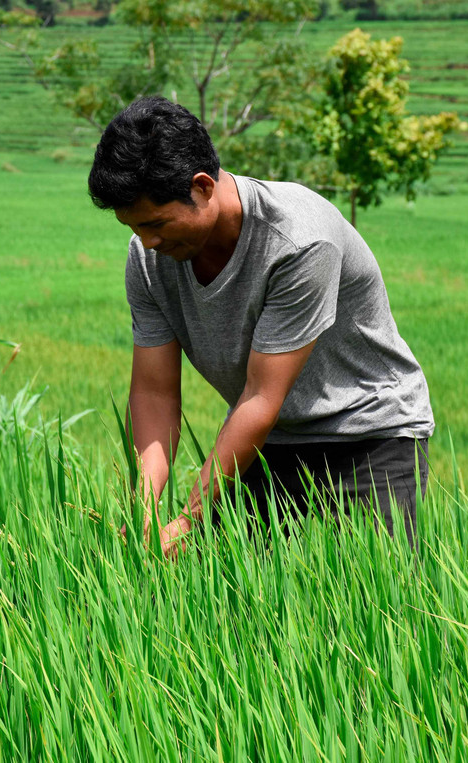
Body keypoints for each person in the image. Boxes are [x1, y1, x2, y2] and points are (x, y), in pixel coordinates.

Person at [88, 96, 434, 559]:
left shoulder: (299, 240)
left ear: (203, 186)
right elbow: (155, 393)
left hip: (368, 433)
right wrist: (145, 509)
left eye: (156, 224)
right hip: (269, 441)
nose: (147, 241)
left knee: (370, 600)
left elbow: (259, 398)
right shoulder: (148, 257)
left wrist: (188, 520)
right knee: (226, 598)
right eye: (133, 227)